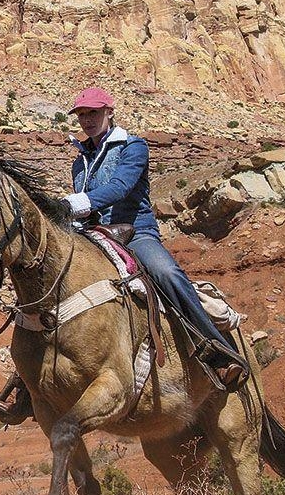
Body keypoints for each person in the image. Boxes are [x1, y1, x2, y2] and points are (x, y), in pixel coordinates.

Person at [63, 86, 249, 390]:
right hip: (94, 236)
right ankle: (30, 382)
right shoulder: (79, 161)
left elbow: (120, 188)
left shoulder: (132, 147)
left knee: (166, 272)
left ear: (109, 112)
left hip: (134, 232)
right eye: (82, 114)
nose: (87, 119)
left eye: (93, 113)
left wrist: (71, 204)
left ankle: (217, 353)